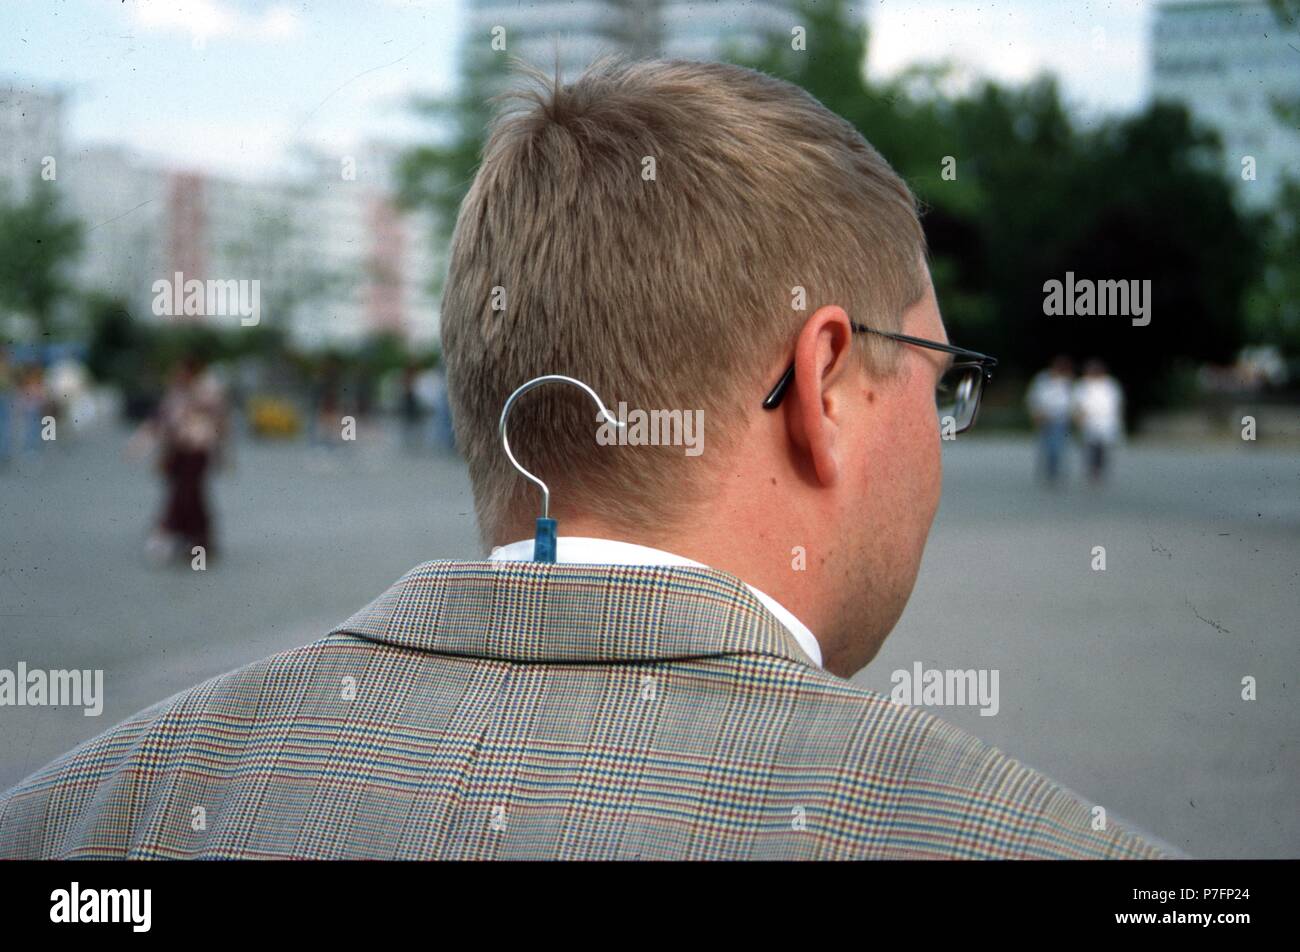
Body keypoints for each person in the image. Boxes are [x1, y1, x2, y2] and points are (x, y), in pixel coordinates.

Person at [0, 59, 1168, 860]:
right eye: (937, 372)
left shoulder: (85, 814)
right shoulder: (1032, 842)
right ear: (820, 385)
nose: (942, 428)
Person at [1072, 359, 1124, 483]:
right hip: (1089, 421)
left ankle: (1098, 470)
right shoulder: (1083, 385)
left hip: (1106, 422)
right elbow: (1077, 403)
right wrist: (1079, 417)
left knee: (1102, 448)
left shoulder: (1110, 385)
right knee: (1090, 447)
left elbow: (1115, 404)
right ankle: (1091, 469)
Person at [1026, 355, 1075, 486]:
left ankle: (1054, 472)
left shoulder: (1067, 382)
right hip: (1044, 417)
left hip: (1060, 419)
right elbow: (1034, 397)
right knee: (1045, 445)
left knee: (1057, 446)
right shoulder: (1043, 380)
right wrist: (1036, 413)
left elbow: (1071, 401)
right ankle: (1047, 470)